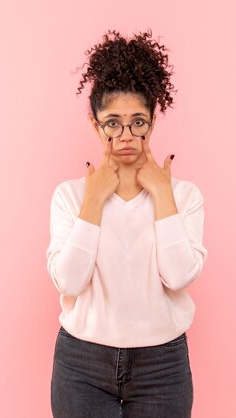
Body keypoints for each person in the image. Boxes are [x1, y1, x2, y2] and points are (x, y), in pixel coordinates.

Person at [46, 28, 208, 418]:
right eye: (112, 123)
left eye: (138, 122)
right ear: (95, 124)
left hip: (162, 365)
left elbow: (179, 276)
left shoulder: (184, 196)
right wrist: (95, 200)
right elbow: (68, 281)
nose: (126, 136)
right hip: (82, 362)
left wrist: (162, 194)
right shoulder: (70, 196)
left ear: (153, 121)